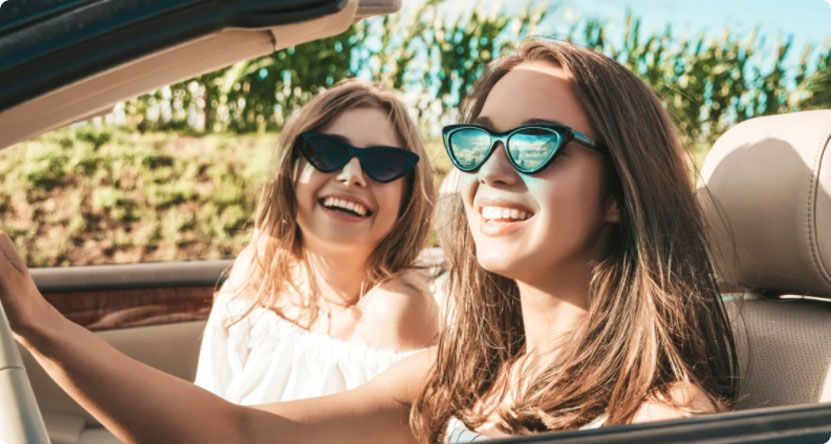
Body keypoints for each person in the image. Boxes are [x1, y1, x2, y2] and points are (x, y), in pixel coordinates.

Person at [0, 39, 737, 444]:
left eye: (538, 143)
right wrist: (37, 322)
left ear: (618, 193)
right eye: (477, 142)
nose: (494, 169)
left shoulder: (658, 420)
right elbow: (235, 433)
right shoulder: (463, 375)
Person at [192, 79, 439, 404]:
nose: (351, 175)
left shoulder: (395, 312)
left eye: (383, 163)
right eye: (327, 152)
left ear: (408, 195)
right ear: (290, 170)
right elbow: (207, 402)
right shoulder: (256, 269)